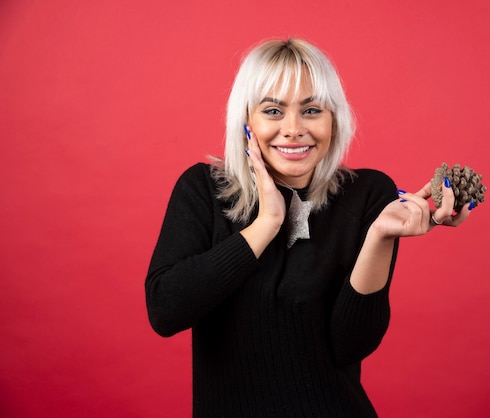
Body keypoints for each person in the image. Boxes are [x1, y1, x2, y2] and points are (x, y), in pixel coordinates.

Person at [145, 38, 473, 417]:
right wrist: (268, 223)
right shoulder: (204, 189)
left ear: (334, 121)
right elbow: (165, 312)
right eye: (273, 110)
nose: (293, 129)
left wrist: (378, 238)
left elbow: (351, 345)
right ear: (246, 120)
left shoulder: (367, 194)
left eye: (312, 110)